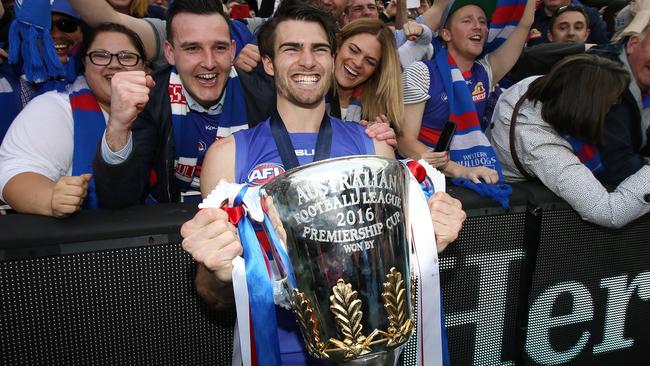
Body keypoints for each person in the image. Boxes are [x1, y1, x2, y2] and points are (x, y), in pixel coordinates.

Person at [180, 3, 465, 364]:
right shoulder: (227, 156)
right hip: (273, 354)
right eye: (291, 49)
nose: (308, 61)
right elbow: (215, 296)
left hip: (367, 352)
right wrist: (215, 271)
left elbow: (392, 264)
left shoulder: (374, 147)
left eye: (319, 49)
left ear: (332, 60)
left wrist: (429, 236)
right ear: (269, 63)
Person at [93, 0, 395, 208]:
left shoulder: (267, 93)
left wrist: (367, 139)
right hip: (173, 232)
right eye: (193, 48)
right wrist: (118, 126)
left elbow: (312, 115)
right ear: (170, 53)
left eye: (220, 48)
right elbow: (119, 199)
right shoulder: (151, 99)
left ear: (234, 48)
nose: (209, 62)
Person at [0, 23, 147, 217]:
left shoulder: (161, 108)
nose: (114, 63)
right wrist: (50, 197)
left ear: (144, 67)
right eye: (101, 55)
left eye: (127, 56)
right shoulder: (53, 108)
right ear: (85, 63)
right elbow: (14, 174)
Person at [488, 54, 650, 228]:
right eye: (609, 104)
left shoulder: (542, 85)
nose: (614, 105)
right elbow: (608, 212)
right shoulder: (541, 148)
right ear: (585, 107)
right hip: (510, 224)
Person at [399, 0, 535, 184]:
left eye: (482, 22)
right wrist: (459, 170)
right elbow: (405, 141)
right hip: (427, 179)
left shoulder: (486, 72)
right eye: (467, 21)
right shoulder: (421, 72)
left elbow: (523, 25)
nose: (478, 26)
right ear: (446, 34)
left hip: (475, 172)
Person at [328, 18, 404, 129]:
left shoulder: (380, 111)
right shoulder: (308, 88)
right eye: (353, 50)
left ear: (377, 70)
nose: (358, 63)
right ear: (339, 44)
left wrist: (377, 140)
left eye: (370, 61)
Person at [527, 0, 608, 46]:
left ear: (587, 34)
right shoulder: (527, 18)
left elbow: (605, 52)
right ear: (550, 35)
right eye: (562, 27)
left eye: (578, 27)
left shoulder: (591, 16)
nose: (571, 33)